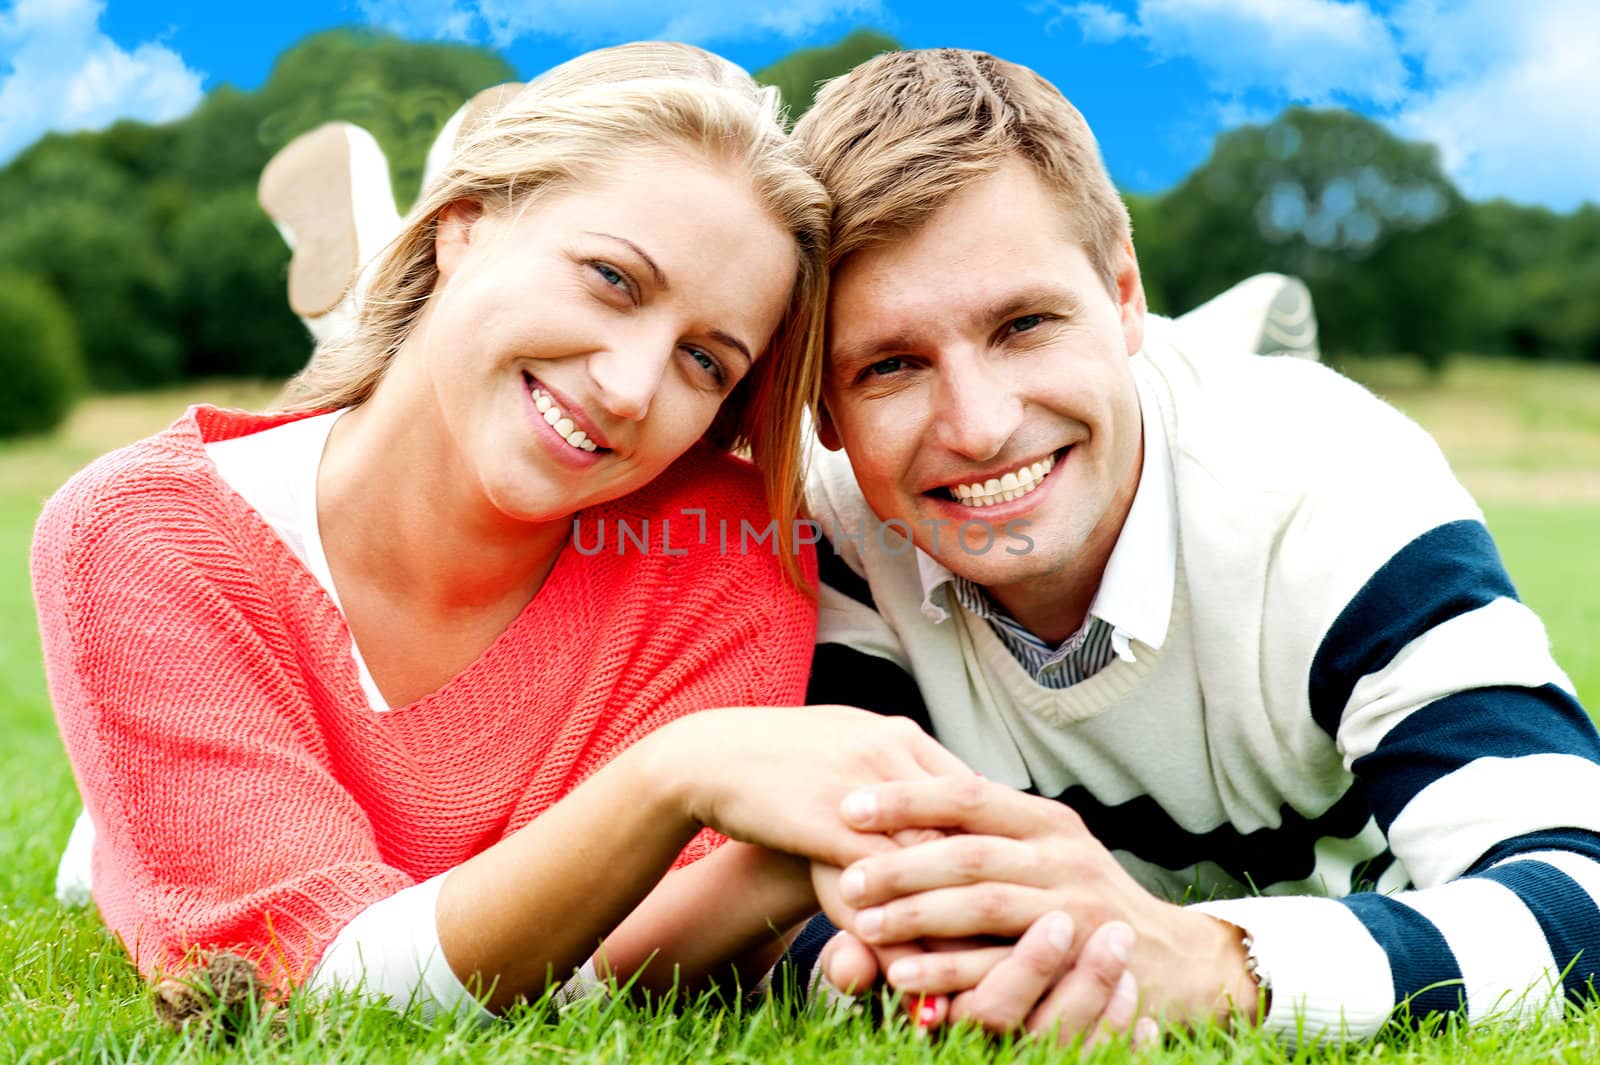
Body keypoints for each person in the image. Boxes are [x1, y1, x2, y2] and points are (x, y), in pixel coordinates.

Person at [33, 42, 978, 1023]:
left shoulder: (721, 538)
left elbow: (634, 952)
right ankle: (116, 836)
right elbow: (306, 985)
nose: (628, 387)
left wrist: (794, 869)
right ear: (463, 228)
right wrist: (678, 774)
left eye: (705, 360)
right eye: (612, 278)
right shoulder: (145, 534)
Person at [787, 48, 1600, 1042]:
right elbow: (814, 906)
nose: (978, 425)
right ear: (823, 408)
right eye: (891, 365)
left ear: (1124, 295)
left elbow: (1577, 895)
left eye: (1024, 324)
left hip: (1360, 892)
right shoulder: (828, 517)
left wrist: (1212, 964)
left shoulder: (1332, 477)